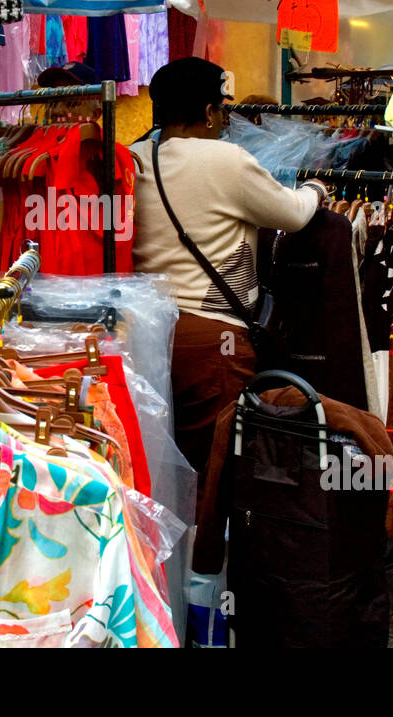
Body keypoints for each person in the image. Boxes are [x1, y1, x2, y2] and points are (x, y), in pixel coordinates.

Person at [129, 57, 328, 574]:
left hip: (145, 333)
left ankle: (153, 579)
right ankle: (203, 589)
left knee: (157, 462)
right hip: (209, 336)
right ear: (212, 111)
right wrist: (316, 190)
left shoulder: (134, 158)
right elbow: (292, 214)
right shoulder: (226, 160)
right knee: (211, 471)